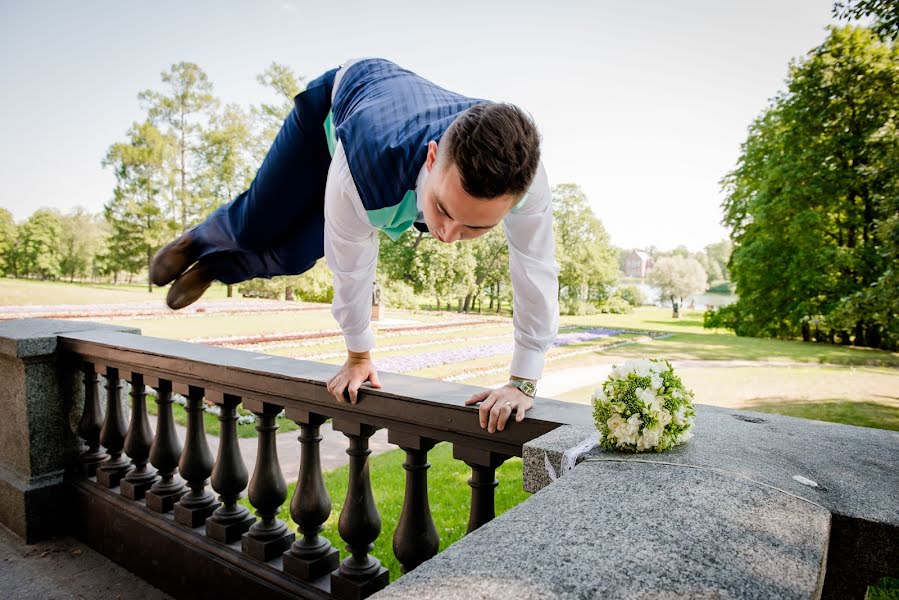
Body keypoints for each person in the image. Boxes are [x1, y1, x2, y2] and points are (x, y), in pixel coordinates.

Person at [151, 58, 559, 434]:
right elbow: (351, 265)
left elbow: (535, 268)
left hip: (384, 138)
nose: (448, 234)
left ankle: (216, 268)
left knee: (294, 257)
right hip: (333, 114)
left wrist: (523, 381)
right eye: (443, 210)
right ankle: (198, 240)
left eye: (475, 227)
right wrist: (359, 355)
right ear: (432, 158)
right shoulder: (370, 160)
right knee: (256, 226)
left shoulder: (527, 182)